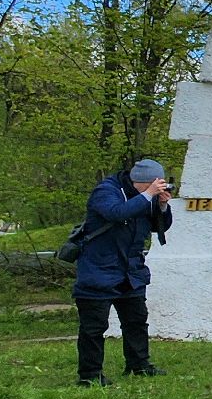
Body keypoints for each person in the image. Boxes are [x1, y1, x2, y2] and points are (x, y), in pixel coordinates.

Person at [72, 158, 173, 386]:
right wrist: (148, 196)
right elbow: (117, 213)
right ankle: (90, 376)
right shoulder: (106, 191)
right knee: (94, 326)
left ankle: (139, 365)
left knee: (136, 320)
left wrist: (162, 206)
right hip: (99, 269)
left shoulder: (145, 196)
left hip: (131, 270)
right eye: (154, 184)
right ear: (142, 182)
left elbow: (159, 227)